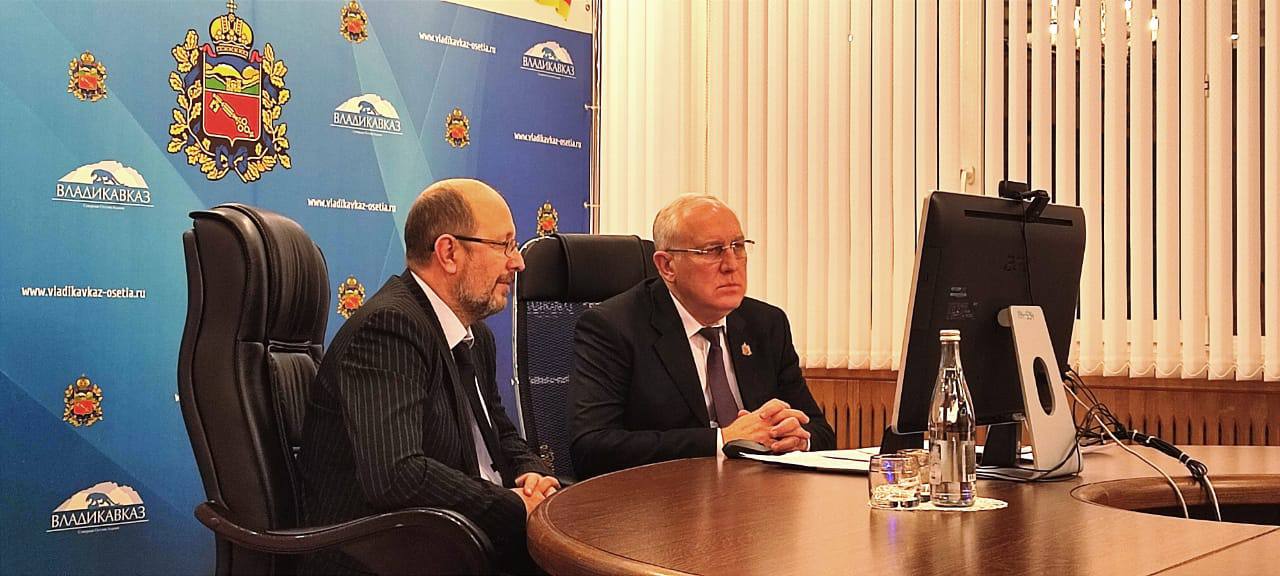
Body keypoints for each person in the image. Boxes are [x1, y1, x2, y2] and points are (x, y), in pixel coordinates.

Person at [299, 179, 556, 574]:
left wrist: (531, 472)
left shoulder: (475, 335)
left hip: (466, 539)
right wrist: (514, 506)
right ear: (449, 252)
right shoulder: (389, 328)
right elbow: (397, 475)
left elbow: (500, 432)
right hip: (396, 555)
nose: (517, 263)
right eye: (504, 245)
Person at [569, 194, 835, 479]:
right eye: (712, 251)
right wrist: (723, 440)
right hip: (663, 497)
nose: (731, 264)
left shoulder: (766, 324)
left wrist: (797, 438)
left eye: (738, 247)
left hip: (757, 494)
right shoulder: (614, 328)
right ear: (667, 266)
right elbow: (592, 448)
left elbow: (820, 432)